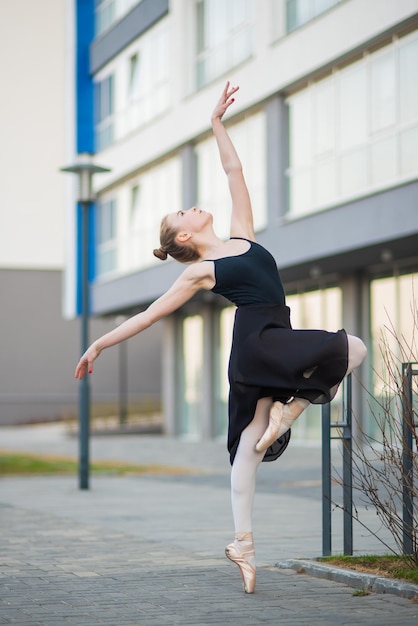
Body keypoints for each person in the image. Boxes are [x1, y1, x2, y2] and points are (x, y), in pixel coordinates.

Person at [75, 82, 367, 594]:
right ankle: (275, 451)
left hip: (275, 333)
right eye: (182, 214)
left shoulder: (243, 235)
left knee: (251, 447)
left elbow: (235, 172)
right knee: (351, 350)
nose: (190, 207)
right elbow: (148, 315)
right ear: (184, 237)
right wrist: (99, 344)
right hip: (258, 340)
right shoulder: (201, 271)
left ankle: (243, 541)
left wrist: (216, 123)